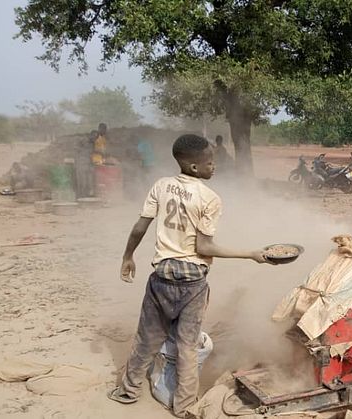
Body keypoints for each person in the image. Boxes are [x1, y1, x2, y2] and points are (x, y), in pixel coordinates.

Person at [107, 134, 273, 417]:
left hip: (161, 277)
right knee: (187, 346)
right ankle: (184, 406)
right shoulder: (209, 198)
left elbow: (139, 227)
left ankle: (128, 390)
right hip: (192, 283)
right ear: (195, 167)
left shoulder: (161, 186)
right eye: (210, 162)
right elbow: (204, 247)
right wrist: (251, 254)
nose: (214, 167)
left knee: (147, 338)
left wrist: (127, 256)